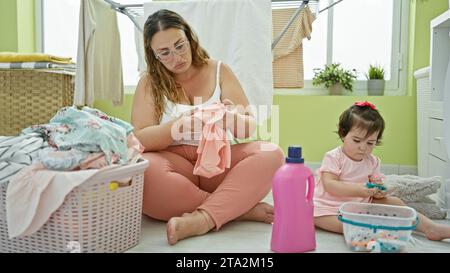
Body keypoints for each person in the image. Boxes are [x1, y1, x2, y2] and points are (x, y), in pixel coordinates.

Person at [131, 9, 284, 245]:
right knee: (144, 168)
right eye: (165, 53)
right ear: (154, 56)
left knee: (271, 153)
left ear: (190, 39)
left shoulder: (219, 70)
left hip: (217, 162)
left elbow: (248, 128)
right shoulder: (149, 82)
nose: (176, 57)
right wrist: (178, 126)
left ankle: (202, 220)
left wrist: (230, 117)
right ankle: (237, 209)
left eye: (180, 46)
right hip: (175, 166)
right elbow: (141, 138)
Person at [314, 101, 450, 241]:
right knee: (349, 226)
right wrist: (359, 190)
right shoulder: (334, 157)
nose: (363, 147)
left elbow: (377, 184)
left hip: (360, 203)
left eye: (370, 143)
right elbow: (330, 185)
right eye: (357, 140)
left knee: (395, 202)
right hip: (327, 208)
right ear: (343, 134)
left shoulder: (372, 161)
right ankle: (378, 234)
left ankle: (430, 228)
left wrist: (380, 191)